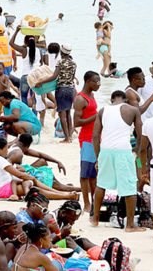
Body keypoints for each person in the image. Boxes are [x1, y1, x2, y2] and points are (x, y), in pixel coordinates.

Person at [90, 90, 145, 231]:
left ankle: (95, 219)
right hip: (123, 150)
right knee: (129, 186)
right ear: (125, 100)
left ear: (111, 100)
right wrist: (137, 151)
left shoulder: (102, 110)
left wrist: (98, 158)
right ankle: (130, 225)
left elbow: (95, 136)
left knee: (101, 184)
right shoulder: (133, 110)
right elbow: (139, 133)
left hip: (106, 150)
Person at [71, 71, 100, 215]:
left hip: (95, 138)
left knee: (94, 173)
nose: (99, 84)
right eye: (96, 81)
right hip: (87, 139)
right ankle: (87, 203)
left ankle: (95, 201)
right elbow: (76, 122)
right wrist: (96, 116)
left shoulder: (91, 95)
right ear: (88, 81)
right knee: (85, 174)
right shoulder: (80, 99)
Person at [36, 43, 76, 142]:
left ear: (61, 52)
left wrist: (41, 82)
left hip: (61, 89)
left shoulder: (60, 62)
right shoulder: (74, 63)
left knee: (62, 114)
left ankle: (66, 138)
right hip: (70, 89)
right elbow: (72, 77)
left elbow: (54, 77)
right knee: (68, 113)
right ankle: (70, 136)